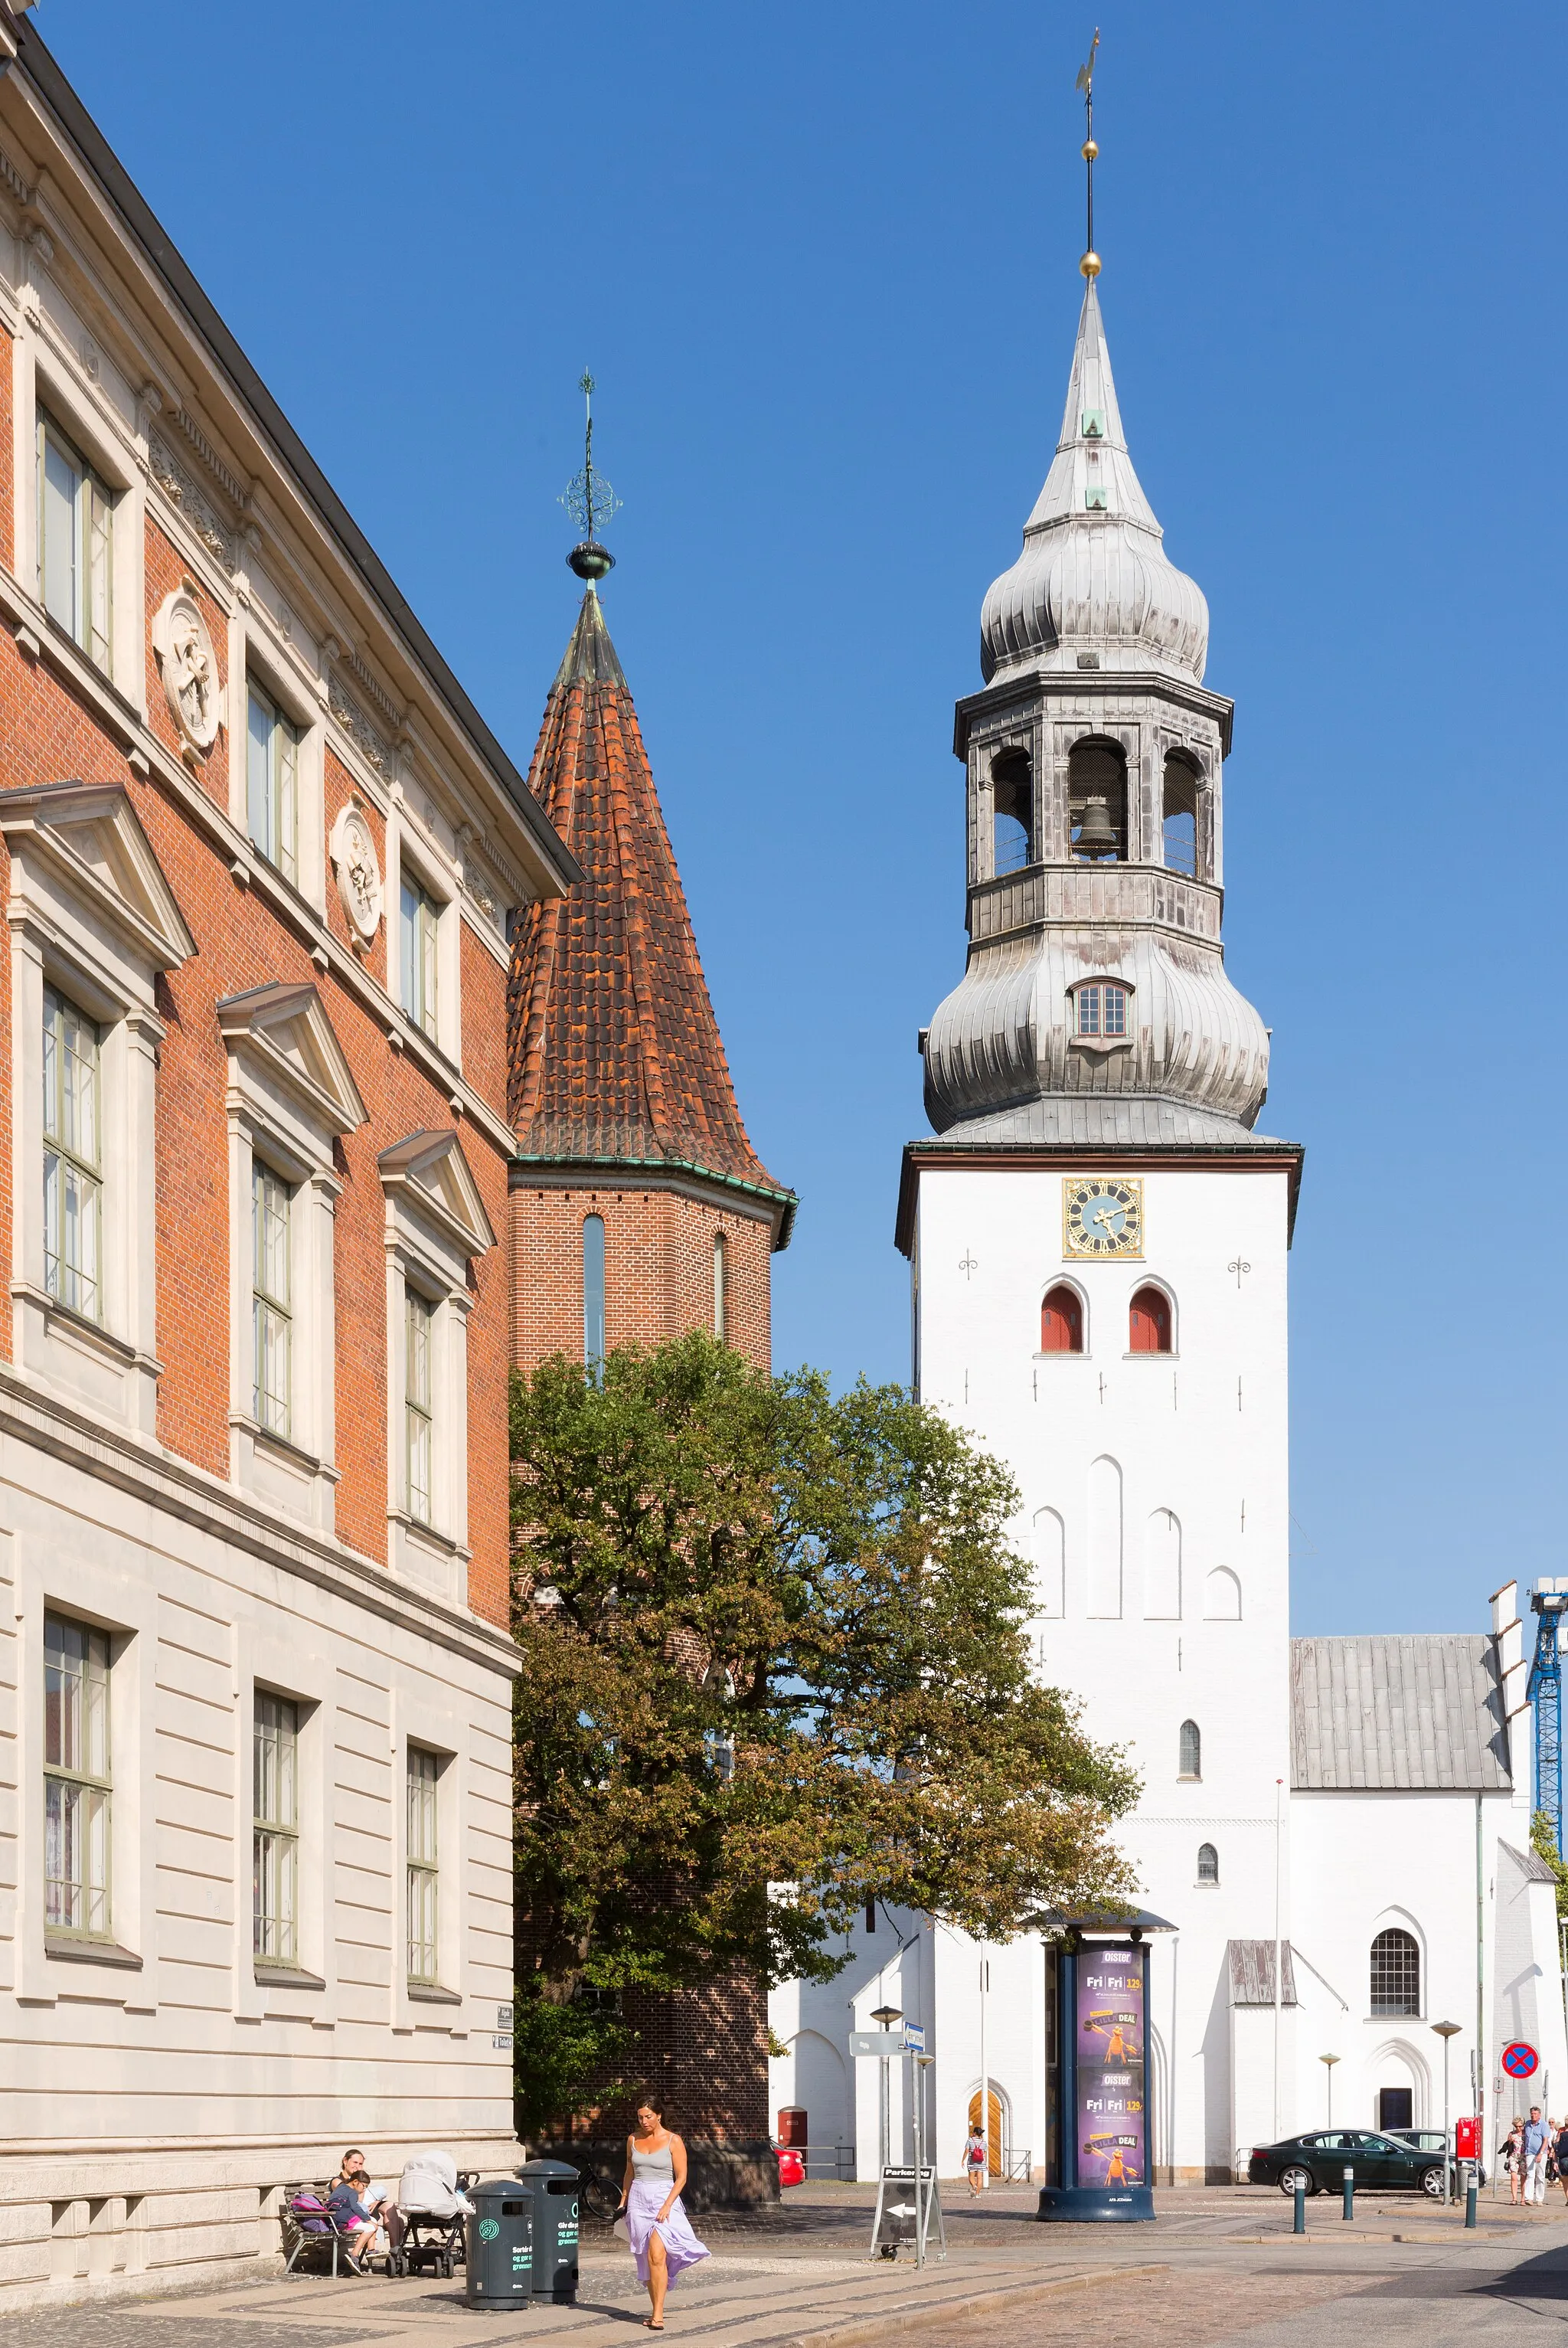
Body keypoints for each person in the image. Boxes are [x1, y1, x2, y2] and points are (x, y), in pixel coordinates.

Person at [616, 2098, 710, 2329]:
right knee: (647, 2257)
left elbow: (682, 2178)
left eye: (648, 2116)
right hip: (638, 2200)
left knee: (658, 2254)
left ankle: (658, 2315)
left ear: (659, 2115)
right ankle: (655, 2309)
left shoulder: (673, 2140)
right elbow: (629, 2173)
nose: (644, 2121)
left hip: (663, 2198)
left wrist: (668, 2205)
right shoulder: (633, 2139)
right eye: (640, 2117)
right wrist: (623, 2202)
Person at [327, 2149, 391, 2271]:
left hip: (347, 2216)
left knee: (372, 2222)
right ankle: (355, 2255)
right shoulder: (339, 2182)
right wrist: (366, 2219)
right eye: (355, 2162)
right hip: (341, 2219)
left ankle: (370, 2251)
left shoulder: (354, 2183)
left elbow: (359, 2200)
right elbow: (356, 2203)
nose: (357, 2166)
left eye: (360, 2164)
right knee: (371, 2224)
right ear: (345, 2161)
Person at [1522, 2106, 1550, 2206]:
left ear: (1539, 2115)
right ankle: (1528, 2198)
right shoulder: (1528, 2124)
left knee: (1540, 2176)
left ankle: (1539, 2198)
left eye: (1535, 2114)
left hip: (1540, 2153)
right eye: (1532, 2114)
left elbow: (1545, 2140)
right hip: (1530, 2152)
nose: (1533, 2116)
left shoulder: (1544, 2125)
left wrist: (1541, 2153)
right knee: (1530, 2174)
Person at [1501, 2116, 1525, 2206]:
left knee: (1523, 2178)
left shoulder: (1526, 2134)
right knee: (1514, 2178)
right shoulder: (1512, 2134)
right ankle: (1514, 2198)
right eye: (1516, 2126)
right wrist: (1510, 2142)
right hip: (1513, 2157)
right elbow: (1507, 2146)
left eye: (1520, 2126)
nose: (1518, 2128)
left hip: (1524, 2157)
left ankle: (1523, 2199)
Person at [962, 2124, 986, 2196]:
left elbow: (967, 2150)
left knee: (971, 2176)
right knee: (980, 2178)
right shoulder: (984, 2142)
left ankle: (974, 2186)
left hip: (972, 2161)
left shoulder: (970, 2140)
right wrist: (985, 2163)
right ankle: (977, 2194)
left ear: (975, 2133)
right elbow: (985, 2153)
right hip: (981, 2162)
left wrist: (963, 2160)